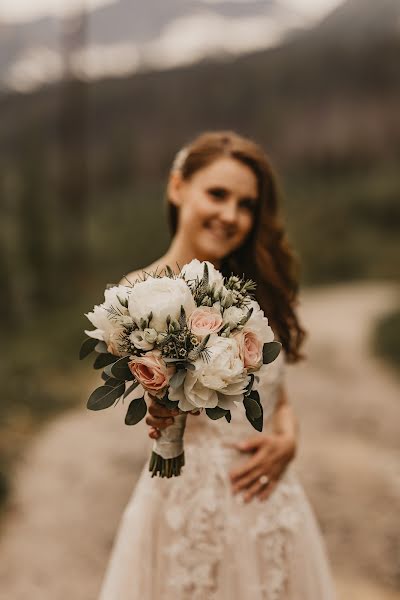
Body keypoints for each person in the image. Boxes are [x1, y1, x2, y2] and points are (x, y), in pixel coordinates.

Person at [98, 130, 336, 599]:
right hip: (189, 505)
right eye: (218, 194)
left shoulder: (256, 287)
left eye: (246, 204)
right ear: (177, 188)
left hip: (269, 499)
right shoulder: (134, 297)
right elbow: (155, 404)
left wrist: (289, 438)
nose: (231, 215)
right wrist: (161, 411)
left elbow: (277, 394)